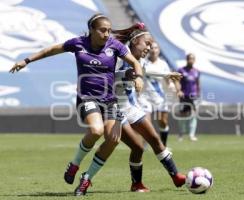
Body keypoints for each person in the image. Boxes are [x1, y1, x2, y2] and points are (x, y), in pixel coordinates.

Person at [9, 13, 144, 196]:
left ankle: (86, 178)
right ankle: (74, 164)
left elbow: (135, 62)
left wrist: (139, 78)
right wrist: (26, 60)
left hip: (109, 100)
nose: (107, 34)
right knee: (96, 130)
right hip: (87, 98)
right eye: (103, 30)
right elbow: (51, 50)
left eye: (109, 31)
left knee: (113, 140)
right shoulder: (77, 43)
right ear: (92, 30)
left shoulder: (115, 46)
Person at [114, 29, 186, 193]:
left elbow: (145, 71)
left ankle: (176, 176)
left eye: (151, 45)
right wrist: (125, 73)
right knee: (136, 147)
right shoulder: (119, 58)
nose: (149, 47)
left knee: (154, 138)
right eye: (147, 43)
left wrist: (167, 74)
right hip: (115, 110)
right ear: (134, 42)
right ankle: (134, 183)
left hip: (132, 108)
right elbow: (108, 76)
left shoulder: (140, 61)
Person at [137, 42, 180, 147]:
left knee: (162, 121)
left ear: (159, 50)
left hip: (159, 96)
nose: (153, 50)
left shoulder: (163, 64)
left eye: (155, 48)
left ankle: (163, 145)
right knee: (146, 123)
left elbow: (167, 77)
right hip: (145, 97)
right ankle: (146, 143)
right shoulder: (144, 62)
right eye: (151, 48)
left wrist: (171, 84)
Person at [177, 53, 200, 141]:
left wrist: (198, 93)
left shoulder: (197, 71)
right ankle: (181, 134)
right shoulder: (181, 70)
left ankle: (191, 135)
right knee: (183, 115)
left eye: (192, 59)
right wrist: (179, 91)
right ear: (186, 60)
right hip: (184, 95)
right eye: (189, 58)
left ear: (194, 60)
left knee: (193, 114)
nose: (191, 60)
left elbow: (198, 83)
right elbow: (177, 81)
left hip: (193, 96)